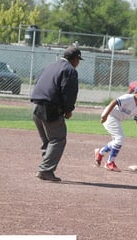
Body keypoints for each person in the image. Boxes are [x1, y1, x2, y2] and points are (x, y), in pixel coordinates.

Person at [31, 46, 82, 181]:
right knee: (58, 139)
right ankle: (46, 170)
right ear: (75, 59)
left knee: (49, 140)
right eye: (79, 59)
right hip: (50, 108)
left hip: (36, 107)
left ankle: (45, 167)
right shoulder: (69, 70)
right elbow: (69, 92)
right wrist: (68, 110)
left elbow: (38, 82)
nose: (78, 63)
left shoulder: (50, 66)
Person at [94, 85, 137, 172]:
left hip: (116, 119)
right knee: (120, 138)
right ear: (136, 93)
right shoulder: (128, 98)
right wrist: (105, 116)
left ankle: (100, 153)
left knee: (116, 141)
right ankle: (110, 162)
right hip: (110, 116)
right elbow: (114, 102)